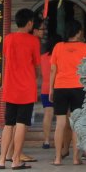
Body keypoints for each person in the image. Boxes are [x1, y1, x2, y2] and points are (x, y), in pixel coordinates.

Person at [0, 9, 40, 170]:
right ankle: (16, 160)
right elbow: (36, 65)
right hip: (26, 88)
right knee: (22, 123)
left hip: (11, 86)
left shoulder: (8, 39)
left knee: (9, 123)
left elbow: (7, 58)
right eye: (32, 22)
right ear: (29, 23)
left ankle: (1, 160)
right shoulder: (33, 41)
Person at [50, 20, 86, 165]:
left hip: (60, 87)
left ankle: (57, 158)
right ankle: (75, 158)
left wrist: (51, 89)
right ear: (79, 32)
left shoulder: (58, 47)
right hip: (78, 88)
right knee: (76, 124)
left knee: (60, 123)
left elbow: (53, 70)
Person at [37, 17, 57, 150]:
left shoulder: (42, 57)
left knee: (47, 114)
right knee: (63, 116)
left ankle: (46, 141)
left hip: (45, 88)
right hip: (59, 88)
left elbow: (39, 73)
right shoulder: (59, 57)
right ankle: (61, 141)